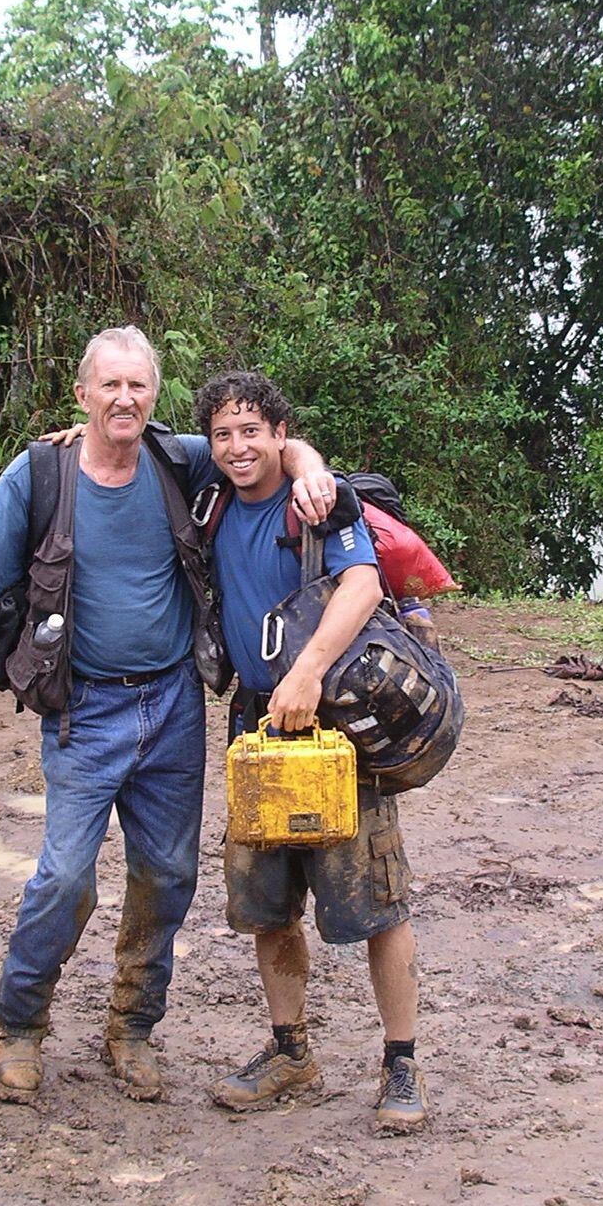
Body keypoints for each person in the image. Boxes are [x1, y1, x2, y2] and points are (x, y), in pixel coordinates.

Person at [0, 328, 336, 1106]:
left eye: (138, 386)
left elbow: (267, 448)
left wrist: (310, 466)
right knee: (64, 877)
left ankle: (131, 1030)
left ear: (154, 394)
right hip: (84, 712)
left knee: (168, 876)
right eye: (110, 387)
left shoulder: (180, 459)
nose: (125, 399)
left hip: (172, 703)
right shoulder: (40, 475)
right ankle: (19, 1025)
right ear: (82, 395)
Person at [195, 369, 429, 1133]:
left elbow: (361, 585)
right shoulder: (212, 499)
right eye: (223, 434)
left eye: (251, 432)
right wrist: (64, 441)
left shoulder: (320, 503)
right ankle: (291, 1051)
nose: (237, 447)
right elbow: (124, 437)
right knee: (266, 905)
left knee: (376, 902)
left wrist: (306, 671)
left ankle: (401, 1065)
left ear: (279, 434)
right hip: (256, 727)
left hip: (335, 728)